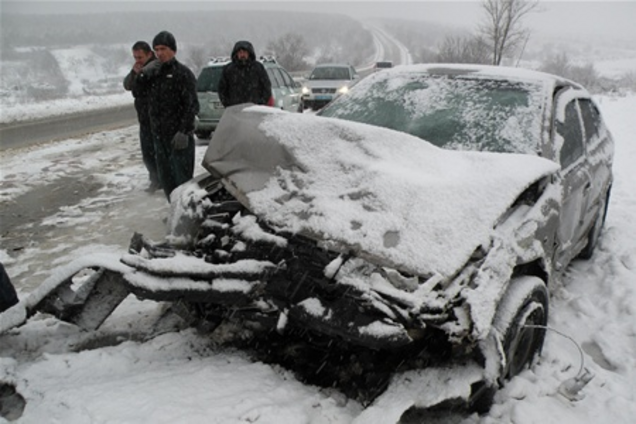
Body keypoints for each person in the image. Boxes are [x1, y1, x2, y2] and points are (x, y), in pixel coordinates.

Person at [141, 31, 199, 201]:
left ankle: (187, 215)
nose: (160, 53)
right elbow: (137, 92)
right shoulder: (153, 74)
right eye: (156, 49)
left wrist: (184, 131)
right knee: (166, 180)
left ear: (173, 50)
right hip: (159, 137)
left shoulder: (183, 74)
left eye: (163, 48)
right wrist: (143, 74)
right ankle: (174, 210)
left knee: (182, 181)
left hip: (178, 137)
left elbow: (192, 106)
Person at [123, 41, 161, 193]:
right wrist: (134, 73)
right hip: (144, 119)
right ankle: (155, 180)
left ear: (149, 54)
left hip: (158, 118)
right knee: (148, 153)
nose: (137, 60)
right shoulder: (138, 69)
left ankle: (163, 181)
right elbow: (127, 85)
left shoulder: (156, 67)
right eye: (135, 57)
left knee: (160, 153)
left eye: (140, 57)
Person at [217, 40, 272, 108]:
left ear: (249, 53)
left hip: (255, 110)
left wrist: (261, 103)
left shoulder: (258, 68)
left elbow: (266, 87)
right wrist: (228, 104)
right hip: (235, 110)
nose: (242, 55)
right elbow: (222, 89)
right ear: (236, 54)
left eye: (244, 52)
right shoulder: (229, 70)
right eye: (240, 52)